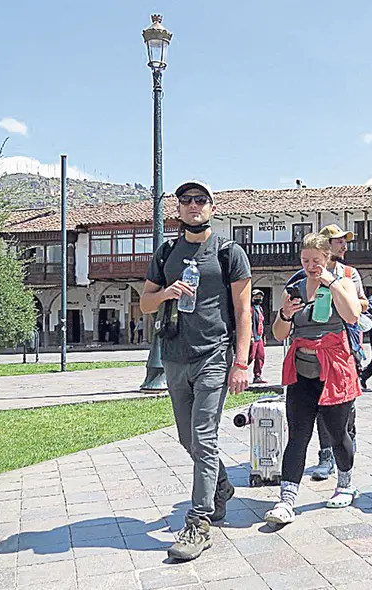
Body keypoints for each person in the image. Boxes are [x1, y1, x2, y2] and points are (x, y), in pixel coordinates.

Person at [141, 180, 253, 561]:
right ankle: (220, 487)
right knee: (188, 438)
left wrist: (241, 362)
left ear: (212, 207)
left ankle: (198, 523)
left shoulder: (227, 252)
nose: (193, 205)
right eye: (187, 200)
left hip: (213, 356)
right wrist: (165, 293)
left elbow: (243, 312)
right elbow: (144, 304)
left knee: (204, 437)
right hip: (174, 356)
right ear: (179, 209)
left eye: (200, 200)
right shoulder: (167, 252)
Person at [265, 232, 363, 524]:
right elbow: (279, 334)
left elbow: (352, 316)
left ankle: (345, 483)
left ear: (328, 258)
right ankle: (286, 500)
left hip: (334, 368)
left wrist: (331, 284)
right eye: (306, 260)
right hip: (302, 370)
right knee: (298, 435)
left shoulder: (342, 282)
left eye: (317, 261)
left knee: (337, 433)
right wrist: (284, 314)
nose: (311, 266)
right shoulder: (293, 290)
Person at [286, 224, 368, 481]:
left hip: (342, 352)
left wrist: (336, 287)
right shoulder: (297, 282)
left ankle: (344, 471)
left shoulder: (348, 274)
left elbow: (357, 309)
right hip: (305, 362)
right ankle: (323, 459)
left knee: (339, 422)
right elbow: (283, 323)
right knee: (301, 430)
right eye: (338, 241)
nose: (343, 245)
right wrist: (285, 314)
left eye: (345, 241)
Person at [249, 289, 267, 384]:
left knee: (260, 356)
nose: (258, 298)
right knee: (250, 357)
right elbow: (248, 323)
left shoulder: (260, 309)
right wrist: (251, 336)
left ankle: (257, 376)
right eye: (256, 296)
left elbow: (261, 323)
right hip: (253, 337)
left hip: (259, 337)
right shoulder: (250, 309)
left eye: (260, 297)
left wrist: (263, 337)